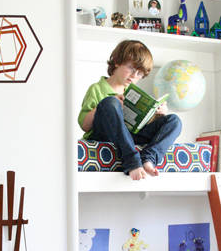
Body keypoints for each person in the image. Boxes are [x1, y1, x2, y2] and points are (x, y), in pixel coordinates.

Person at [78, 39, 182, 180]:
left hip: (130, 135)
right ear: (117, 62)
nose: (134, 76)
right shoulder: (97, 88)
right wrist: (107, 104)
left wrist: (158, 114)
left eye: (139, 74)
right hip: (104, 134)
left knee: (174, 121)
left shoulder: (132, 93)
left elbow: (140, 125)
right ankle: (132, 162)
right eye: (132, 69)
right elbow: (84, 125)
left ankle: (148, 158)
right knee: (110, 102)